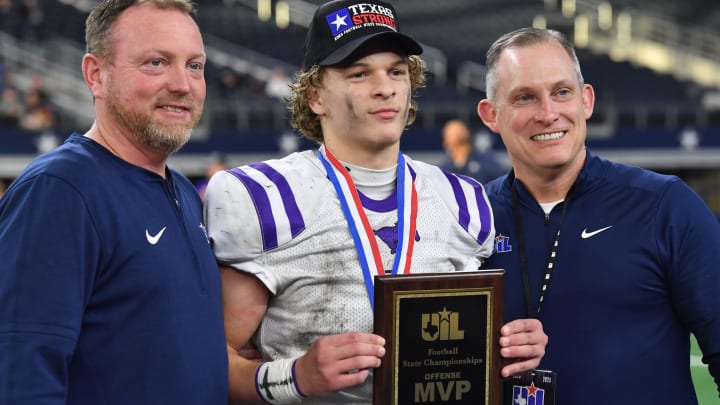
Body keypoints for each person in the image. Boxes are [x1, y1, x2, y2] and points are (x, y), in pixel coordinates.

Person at [204, 1, 547, 403]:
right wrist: (295, 376)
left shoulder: (463, 201)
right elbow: (208, 363)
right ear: (315, 95)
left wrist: (513, 346)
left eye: (397, 72)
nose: (385, 87)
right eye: (359, 73)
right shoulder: (265, 198)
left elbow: (469, 352)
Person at [476, 27, 720, 404]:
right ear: (491, 115)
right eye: (525, 97)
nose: (548, 113)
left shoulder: (665, 206)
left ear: (586, 101)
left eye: (561, 92)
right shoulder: (469, 219)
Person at [0, 1, 228, 403]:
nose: (183, 84)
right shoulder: (59, 190)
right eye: (156, 62)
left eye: (195, 65)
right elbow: (21, 375)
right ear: (96, 75)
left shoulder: (184, 195)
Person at [440, 118, 505, 184]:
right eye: (447, 133)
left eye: (453, 132)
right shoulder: (446, 168)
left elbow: (502, 184)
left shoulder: (485, 161)